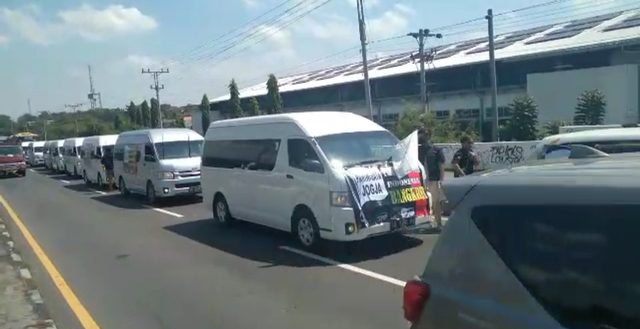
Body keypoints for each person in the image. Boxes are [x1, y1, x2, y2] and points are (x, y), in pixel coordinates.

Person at [417, 127, 446, 229]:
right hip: (420, 180)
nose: (421, 137)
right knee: (424, 202)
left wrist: (441, 180)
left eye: (424, 135)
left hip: (433, 180)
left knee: (435, 202)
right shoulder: (417, 150)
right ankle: (427, 222)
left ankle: (438, 223)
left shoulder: (436, 150)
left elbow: (441, 165)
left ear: (428, 136)